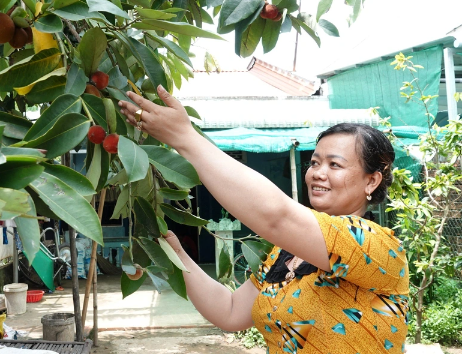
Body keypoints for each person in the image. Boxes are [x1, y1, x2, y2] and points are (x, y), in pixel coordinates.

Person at [118, 85, 409, 354]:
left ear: (371, 181)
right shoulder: (287, 254)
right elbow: (230, 311)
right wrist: (177, 255)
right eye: (315, 162)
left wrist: (184, 137)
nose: (318, 173)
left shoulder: (376, 246)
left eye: (335, 164)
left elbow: (276, 216)